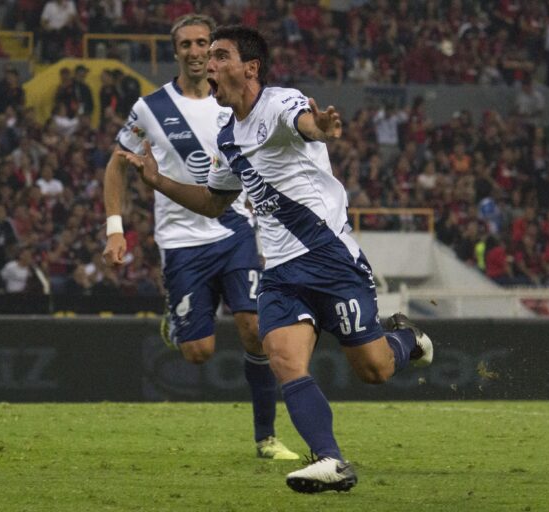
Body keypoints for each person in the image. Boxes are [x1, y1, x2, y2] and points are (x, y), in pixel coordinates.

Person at [117, 24, 434, 494]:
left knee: (375, 370)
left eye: (220, 55)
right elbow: (213, 203)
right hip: (281, 272)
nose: (208, 63)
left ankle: (407, 339)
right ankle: (331, 460)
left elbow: (304, 123)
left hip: (330, 258)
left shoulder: (281, 103)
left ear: (250, 68)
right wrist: (158, 181)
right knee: (284, 360)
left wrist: (319, 127)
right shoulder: (227, 136)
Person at [102, 14, 298, 462]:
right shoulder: (151, 108)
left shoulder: (235, 100)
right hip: (181, 240)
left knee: (255, 331)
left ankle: (266, 438)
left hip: (233, 229)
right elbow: (117, 163)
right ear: (175, 51)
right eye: (186, 44)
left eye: (203, 44)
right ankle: (177, 322)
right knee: (198, 352)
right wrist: (115, 230)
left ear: (214, 51)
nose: (195, 52)